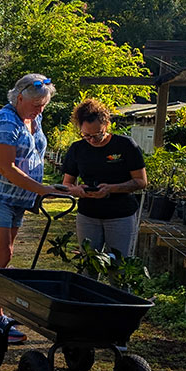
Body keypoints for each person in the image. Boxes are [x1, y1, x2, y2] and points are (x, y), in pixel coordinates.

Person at [0, 74, 59, 344]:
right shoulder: (5, 122)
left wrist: (49, 187)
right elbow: (7, 168)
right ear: (19, 97)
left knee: (3, 254)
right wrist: (43, 190)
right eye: (36, 104)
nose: (40, 109)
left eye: (43, 105)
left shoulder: (34, 118)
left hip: (17, 198)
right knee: (2, 254)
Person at [61, 98, 148, 257]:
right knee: (88, 263)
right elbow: (67, 184)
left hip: (120, 215)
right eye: (86, 135)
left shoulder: (125, 145)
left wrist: (111, 189)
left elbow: (141, 181)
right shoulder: (77, 149)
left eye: (97, 135)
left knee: (118, 265)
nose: (92, 140)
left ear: (107, 125)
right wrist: (77, 190)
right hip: (88, 215)